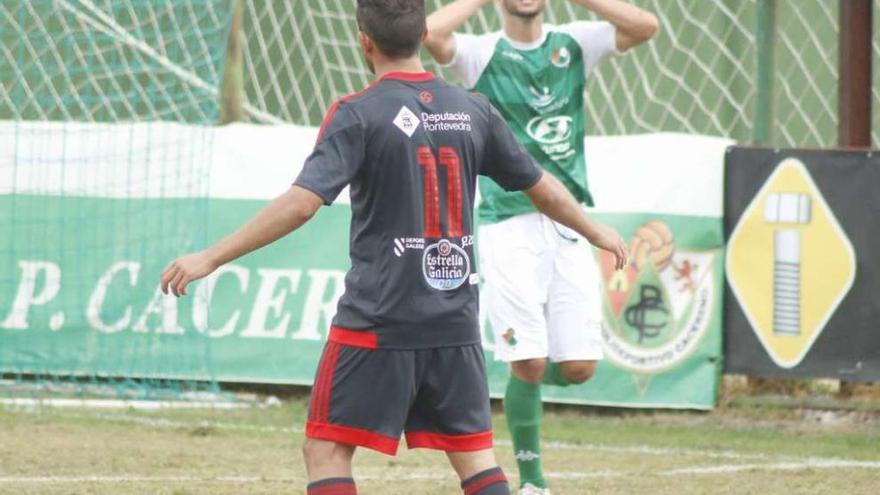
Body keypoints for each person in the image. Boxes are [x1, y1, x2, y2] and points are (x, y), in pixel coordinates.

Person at [161, 1, 626, 493]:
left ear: (364, 40)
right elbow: (539, 184)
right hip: (454, 319)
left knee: (326, 449)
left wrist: (210, 256)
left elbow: (301, 205)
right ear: (426, 33)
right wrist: (594, 229)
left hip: (379, 318)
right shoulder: (474, 108)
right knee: (474, 457)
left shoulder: (356, 113)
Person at [424, 1, 658, 493]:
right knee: (528, 359)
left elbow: (645, 26)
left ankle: (516, 376)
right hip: (507, 223)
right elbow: (427, 33)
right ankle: (533, 481)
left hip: (570, 220)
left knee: (577, 368)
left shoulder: (572, 44)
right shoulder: (480, 53)